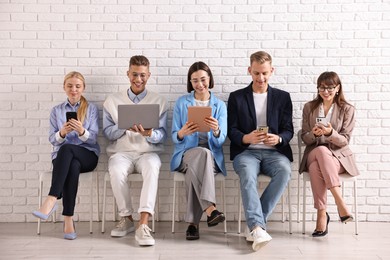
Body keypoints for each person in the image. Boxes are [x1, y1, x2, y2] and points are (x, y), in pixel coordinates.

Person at [227, 51, 293, 251]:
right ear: (249, 71)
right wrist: (246, 138)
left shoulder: (283, 97)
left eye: (264, 73)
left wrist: (279, 138)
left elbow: (288, 130)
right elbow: (231, 130)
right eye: (256, 73)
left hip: (274, 152)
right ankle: (256, 226)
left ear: (272, 71)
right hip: (247, 152)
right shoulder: (236, 97)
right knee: (247, 174)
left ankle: (256, 225)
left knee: (285, 171)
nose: (260, 78)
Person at [103, 55, 168, 246]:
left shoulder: (159, 101)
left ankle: (143, 223)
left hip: (148, 152)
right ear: (127, 74)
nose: (138, 79)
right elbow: (107, 133)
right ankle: (127, 219)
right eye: (134, 75)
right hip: (121, 152)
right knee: (115, 169)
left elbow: (163, 135)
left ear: (148, 75)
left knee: (152, 167)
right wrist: (124, 127)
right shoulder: (112, 101)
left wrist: (148, 133)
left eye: (142, 75)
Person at [32, 71, 100, 240]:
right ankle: (68, 220)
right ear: (64, 87)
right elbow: (53, 140)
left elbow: (92, 140)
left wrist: (81, 131)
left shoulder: (91, 109)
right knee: (71, 163)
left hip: (88, 155)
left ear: (83, 88)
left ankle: (51, 199)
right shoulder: (56, 111)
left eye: (77, 86)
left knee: (68, 149)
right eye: (70, 86)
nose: (74, 90)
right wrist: (61, 133)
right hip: (64, 160)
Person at [170, 61, 227, 240]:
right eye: (195, 81)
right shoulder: (182, 102)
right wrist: (182, 133)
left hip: (211, 157)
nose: (200, 84)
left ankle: (193, 225)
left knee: (203, 158)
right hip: (186, 153)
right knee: (202, 154)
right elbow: (174, 137)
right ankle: (210, 209)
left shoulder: (219, 105)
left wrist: (216, 130)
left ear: (210, 79)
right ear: (190, 82)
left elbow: (221, 140)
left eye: (203, 79)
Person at [299, 71, 359, 237]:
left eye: (330, 88)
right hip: (313, 151)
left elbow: (345, 140)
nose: (325, 91)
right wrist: (315, 134)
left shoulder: (348, 109)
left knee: (317, 166)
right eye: (321, 88)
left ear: (338, 88)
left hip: (337, 158)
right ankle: (341, 203)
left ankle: (321, 214)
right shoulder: (309, 107)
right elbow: (305, 137)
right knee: (320, 150)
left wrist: (330, 133)